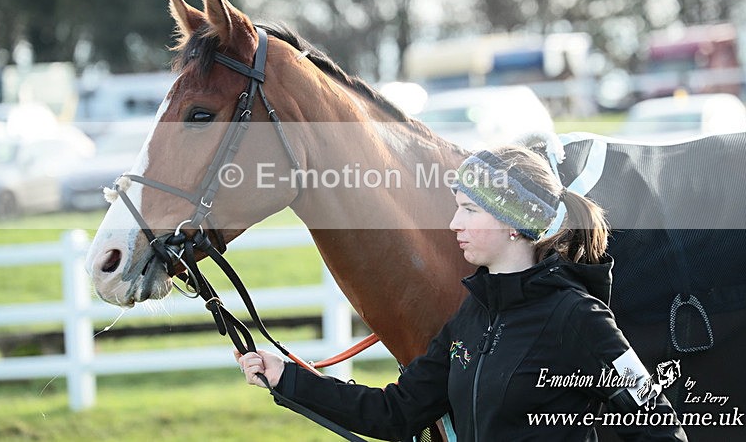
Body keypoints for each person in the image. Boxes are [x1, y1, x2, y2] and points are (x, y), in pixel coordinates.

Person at [236, 145, 688, 441]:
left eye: (470, 209)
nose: (455, 223)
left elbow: (661, 428)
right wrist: (287, 378)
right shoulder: (471, 317)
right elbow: (395, 412)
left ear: (515, 222)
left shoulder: (578, 317)